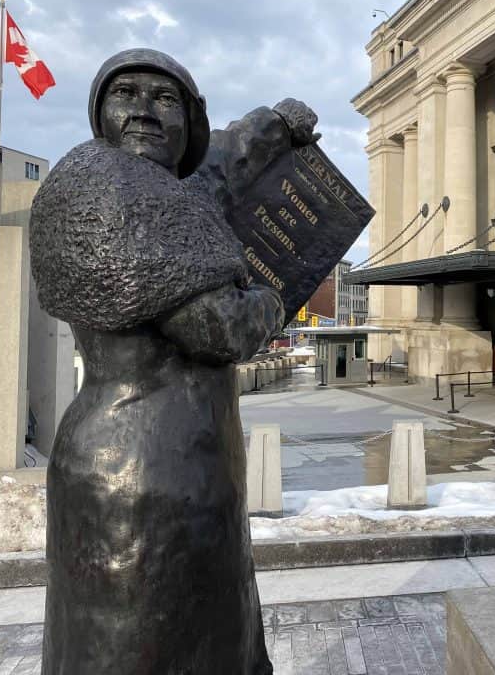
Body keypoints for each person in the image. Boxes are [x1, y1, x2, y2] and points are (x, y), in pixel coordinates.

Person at [30, 49, 315, 674]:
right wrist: (270, 299)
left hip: (188, 465)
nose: (144, 112)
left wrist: (276, 124)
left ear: (189, 119)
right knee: (145, 648)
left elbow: (214, 171)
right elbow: (222, 328)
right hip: (142, 473)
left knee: (209, 639)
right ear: (99, 114)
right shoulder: (103, 189)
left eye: (166, 101)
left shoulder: (163, 194)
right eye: (126, 94)